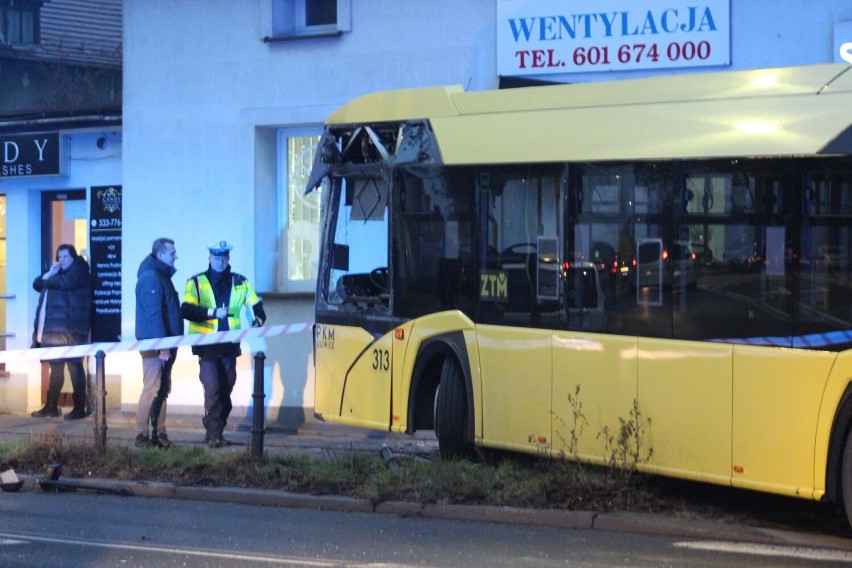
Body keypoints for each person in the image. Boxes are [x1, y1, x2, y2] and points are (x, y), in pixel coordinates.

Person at [181, 240, 266, 448]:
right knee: (213, 388)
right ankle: (214, 434)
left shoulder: (240, 282)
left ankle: (214, 426)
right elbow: (186, 310)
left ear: (228, 259)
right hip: (207, 346)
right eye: (216, 257)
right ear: (209, 258)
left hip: (229, 346)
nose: (220, 261)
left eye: (224, 257)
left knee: (227, 387)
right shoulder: (196, 282)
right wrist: (211, 313)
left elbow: (257, 305)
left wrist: (259, 319)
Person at [31, 244, 91, 419]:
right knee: (55, 369)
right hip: (55, 332)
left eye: (65, 256)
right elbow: (37, 285)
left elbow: (63, 284)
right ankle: (50, 406)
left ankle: (79, 408)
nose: (61, 260)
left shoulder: (79, 272)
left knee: (75, 367)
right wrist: (50, 273)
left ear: (73, 257)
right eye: (59, 257)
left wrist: (49, 276)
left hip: (72, 331)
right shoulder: (57, 274)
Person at [135, 238, 183, 449]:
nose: (176, 257)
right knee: (152, 389)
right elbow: (154, 315)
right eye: (172, 253)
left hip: (164, 345)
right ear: (160, 255)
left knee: (162, 389)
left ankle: (159, 433)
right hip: (157, 347)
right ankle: (142, 436)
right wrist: (162, 345)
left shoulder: (159, 275)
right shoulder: (151, 277)